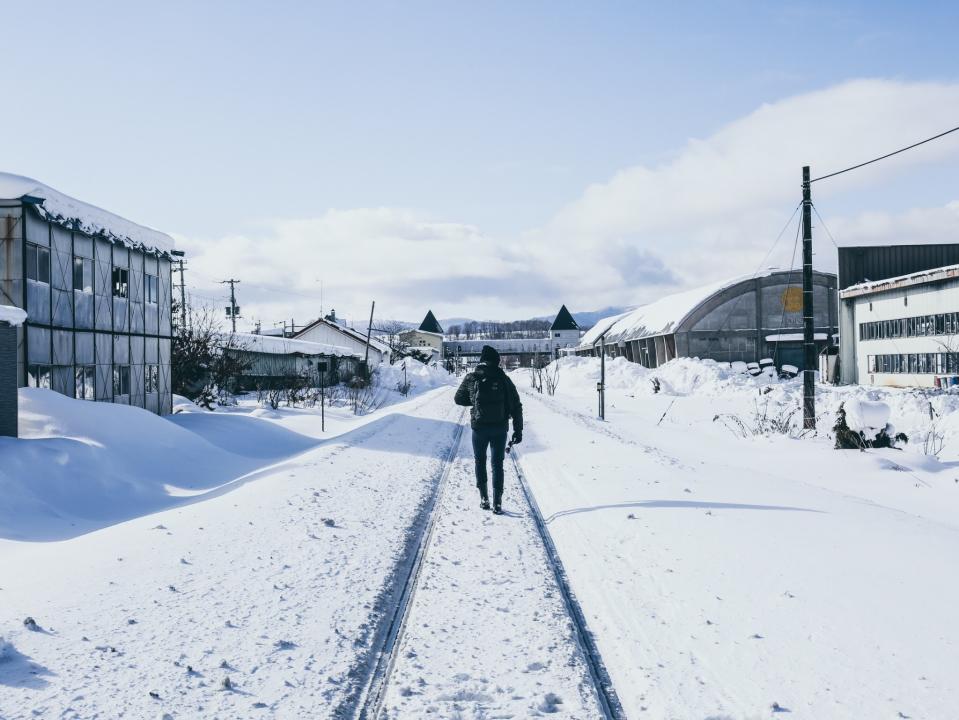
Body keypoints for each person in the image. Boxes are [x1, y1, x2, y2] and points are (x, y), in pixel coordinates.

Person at [454, 345, 523, 514]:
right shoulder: (504, 379)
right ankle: (497, 502)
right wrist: (518, 430)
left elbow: (458, 399)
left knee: (480, 461)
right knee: (497, 464)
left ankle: (484, 498)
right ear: (497, 361)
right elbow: (516, 405)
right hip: (500, 428)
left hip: (479, 428)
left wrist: (475, 402)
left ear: (482, 360)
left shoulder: (472, 377)